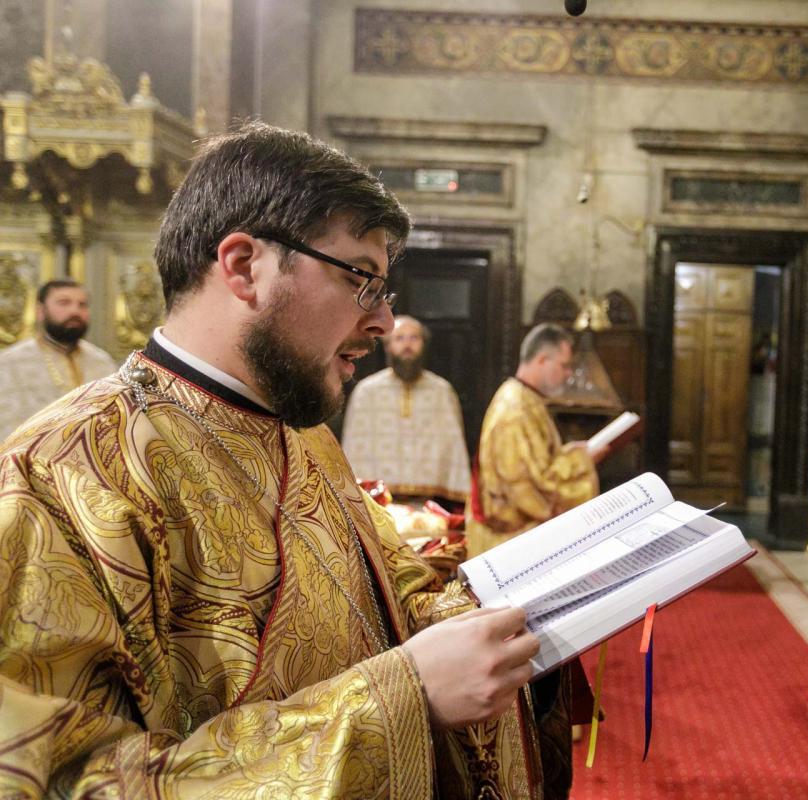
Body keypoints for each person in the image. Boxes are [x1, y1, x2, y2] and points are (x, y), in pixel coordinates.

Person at [0, 122, 568, 798]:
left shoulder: (304, 437)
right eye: (363, 279)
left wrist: (528, 631)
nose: (384, 322)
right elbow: (60, 779)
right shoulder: (58, 473)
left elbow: (399, 606)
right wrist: (398, 701)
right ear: (243, 267)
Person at [468, 323, 603, 556]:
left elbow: (538, 461)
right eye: (564, 366)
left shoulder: (526, 397)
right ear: (542, 360)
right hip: (509, 546)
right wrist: (582, 461)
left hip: (520, 539)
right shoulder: (515, 409)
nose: (568, 373)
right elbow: (531, 487)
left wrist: (569, 452)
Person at [341, 316, 471, 504]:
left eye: (414, 338)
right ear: (387, 346)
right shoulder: (367, 392)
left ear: (424, 345)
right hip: (375, 503)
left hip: (430, 502)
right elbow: (355, 447)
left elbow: (453, 447)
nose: (407, 345)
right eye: (399, 338)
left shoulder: (441, 391)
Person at [0, 280, 117, 440]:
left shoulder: (102, 361)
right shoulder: (11, 363)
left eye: (82, 305)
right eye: (64, 303)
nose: (75, 311)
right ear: (41, 311)